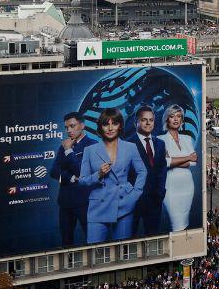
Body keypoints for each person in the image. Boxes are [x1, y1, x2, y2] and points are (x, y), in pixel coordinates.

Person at [79, 108, 146, 243]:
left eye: (114, 123)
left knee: (122, 253)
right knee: (94, 253)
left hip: (124, 204)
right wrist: (98, 174)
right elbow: (82, 181)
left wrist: (135, 194)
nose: (110, 128)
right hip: (98, 207)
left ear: (120, 125)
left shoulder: (130, 147)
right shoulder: (89, 150)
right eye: (105, 124)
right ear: (100, 127)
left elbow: (142, 171)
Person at [128, 105, 168, 237]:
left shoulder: (160, 144)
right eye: (144, 120)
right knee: (129, 237)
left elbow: (162, 170)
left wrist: (161, 192)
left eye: (151, 120)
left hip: (155, 200)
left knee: (153, 238)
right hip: (134, 202)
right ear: (136, 122)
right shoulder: (128, 144)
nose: (148, 123)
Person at [52, 111, 91, 246]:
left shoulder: (92, 145)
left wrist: (69, 151)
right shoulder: (63, 146)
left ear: (82, 125)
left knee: (92, 239)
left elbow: (82, 171)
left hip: (85, 202)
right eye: (67, 127)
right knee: (66, 242)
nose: (69, 130)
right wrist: (72, 178)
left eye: (72, 126)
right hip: (65, 202)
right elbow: (54, 171)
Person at [158, 104, 197, 232]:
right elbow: (165, 163)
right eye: (172, 116)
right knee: (176, 225)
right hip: (171, 188)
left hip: (187, 187)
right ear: (166, 119)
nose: (175, 119)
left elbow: (194, 163)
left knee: (184, 224)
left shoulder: (188, 138)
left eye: (179, 116)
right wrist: (187, 157)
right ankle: (178, 249)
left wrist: (174, 160)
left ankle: (183, 248)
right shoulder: (159, 140)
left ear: (182, 120)